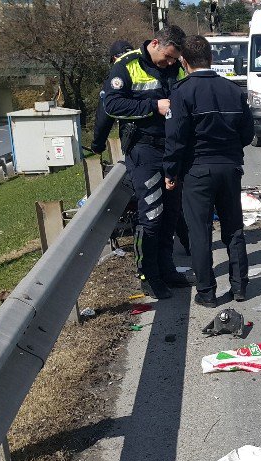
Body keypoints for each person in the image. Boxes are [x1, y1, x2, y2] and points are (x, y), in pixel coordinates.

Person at [164, 35, 254, 307]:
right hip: (229, 168)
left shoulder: (182, 92)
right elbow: (247, 133)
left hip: (197, 170)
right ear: (211, 58)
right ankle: (239, 287)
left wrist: (171, 171)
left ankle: (207, 292)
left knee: (200, 232)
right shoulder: (233, 90)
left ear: (184, 61)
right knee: (234, 228)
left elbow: (176, 138)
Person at [104, 25, 190, 299]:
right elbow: (112, 106)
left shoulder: (175, 68)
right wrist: (153, 106)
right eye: (166, 56)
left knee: (171, 214)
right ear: (155, 43)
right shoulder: (126, 66)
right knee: (151, 216)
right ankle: (147, 274)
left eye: (174, 59)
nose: (169, 63)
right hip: (144, 150)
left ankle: (166, 268)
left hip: (172, 150)